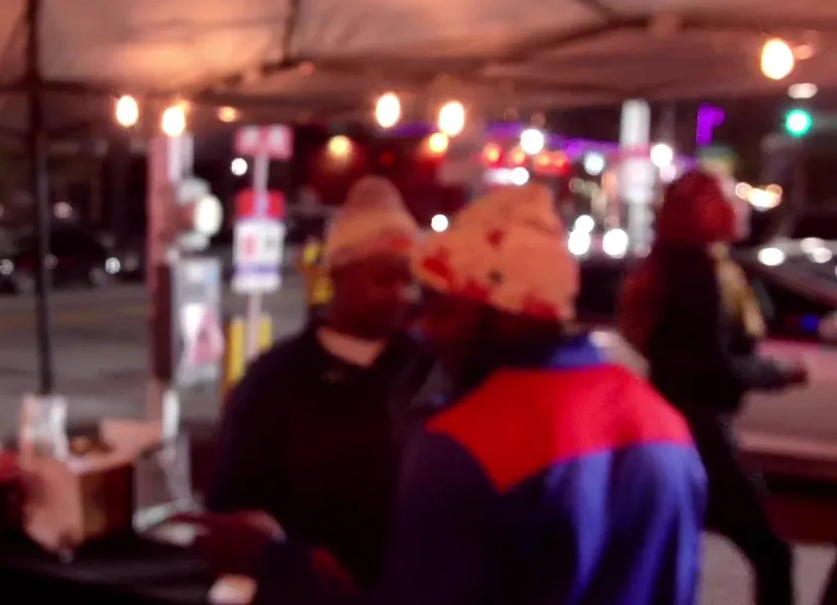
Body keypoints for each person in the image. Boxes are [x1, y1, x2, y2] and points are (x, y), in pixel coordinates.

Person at [188, 184, 707, 605]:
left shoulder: (469, 441)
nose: (427, 326)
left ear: (501, 311)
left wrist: (279, 565)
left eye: (444, 308)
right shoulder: (661, 419)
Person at [205, 176, 435, 587]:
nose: (401, 295)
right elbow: (232, 503)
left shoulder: (430, 370)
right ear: (338, 275)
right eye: (384, 279)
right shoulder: (274, 380)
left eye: (409, 281)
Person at [620, 168, 807, 605]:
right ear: (702, 211)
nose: (740, 207)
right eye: (729, 198)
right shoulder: (696, 273)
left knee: (667, 551)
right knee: (771, 552)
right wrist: (780, 372)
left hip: (681, 423)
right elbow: (712, 365)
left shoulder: (701, 265)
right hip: (699, 427)